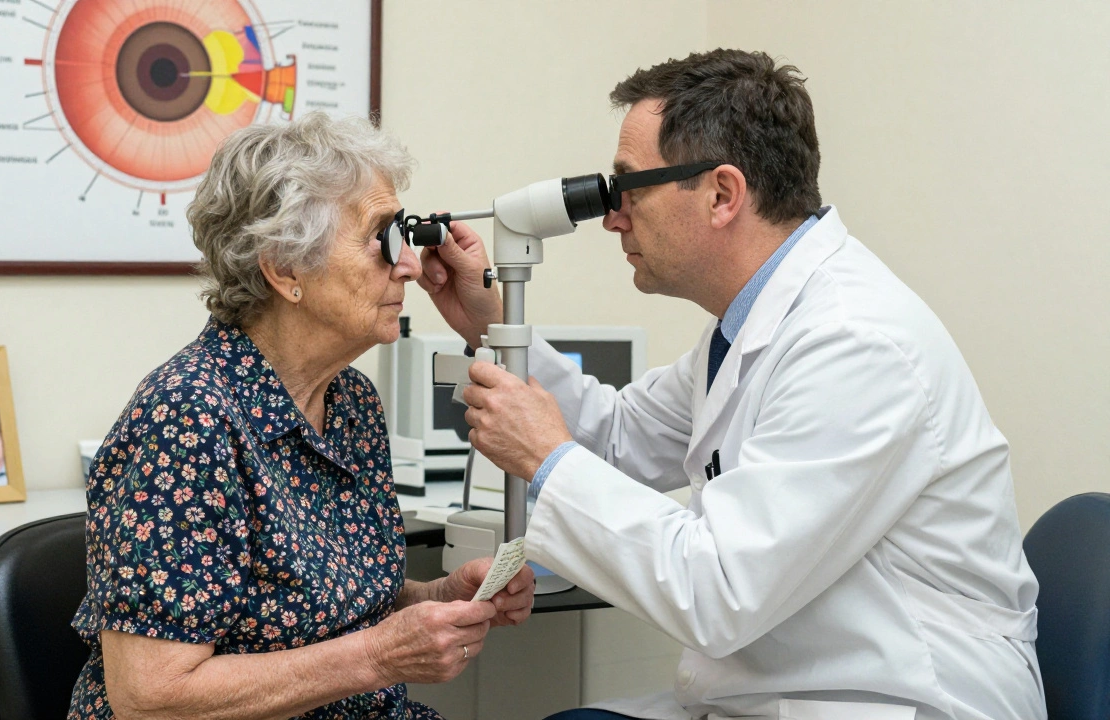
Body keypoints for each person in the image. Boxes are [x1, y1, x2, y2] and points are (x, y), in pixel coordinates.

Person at [420, 50, 1043, 720]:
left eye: (629, 190)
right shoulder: (747, 326)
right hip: (787, 692)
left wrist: (546, 458)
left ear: (722, 194)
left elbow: (717, 592)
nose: (612, 218)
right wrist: (489, 320)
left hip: (897, 699)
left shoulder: (856, 344)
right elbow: (620, 437)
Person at [68, 113, 535, 720]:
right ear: (285, 269)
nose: (412, 266)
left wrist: (440, 598)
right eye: (382, 239)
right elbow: (150, 697)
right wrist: (378, 658)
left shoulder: (350, 403)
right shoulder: (188, 420)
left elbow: (332, 608)